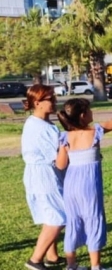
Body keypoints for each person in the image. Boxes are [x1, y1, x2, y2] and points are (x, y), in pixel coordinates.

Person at [55, 87, 112, 270]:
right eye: (89, 110)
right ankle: (96, 266)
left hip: (71, 185)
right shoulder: (95, 131)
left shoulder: (65, 137)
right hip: (89, 186)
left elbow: (60, 165)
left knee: (74, 222)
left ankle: (72, 266)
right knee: (93, 219)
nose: (92, 112)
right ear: (82, 116)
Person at [22, 85, 67, 270]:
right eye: (50, 99)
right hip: (44, 174)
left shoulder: (41, 123)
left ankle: (52, 255)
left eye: (54, 97)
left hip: (40, 173)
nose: (54, 101)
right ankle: (35, 260)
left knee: (51, 214)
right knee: (58, 217)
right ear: (37, 103)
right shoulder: (40, 127)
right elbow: (59, 161)